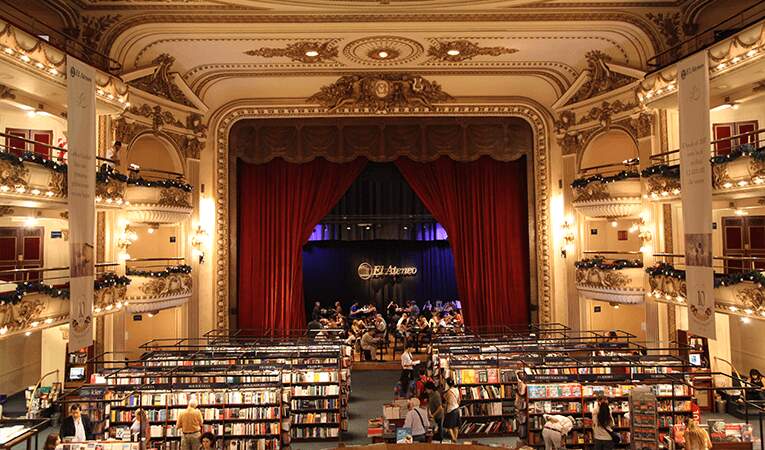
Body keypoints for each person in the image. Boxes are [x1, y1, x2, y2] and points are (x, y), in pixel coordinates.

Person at [443, 378, 461, 443]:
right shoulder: (457, 390)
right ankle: (455, 438)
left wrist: (445, 411)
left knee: (449, 426)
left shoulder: (448, 392)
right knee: (456, 426)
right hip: (457, 408)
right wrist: (457, 405)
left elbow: (448, 402)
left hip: (451, 410)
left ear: (447, 384)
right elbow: (459, 400)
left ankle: (453, 438)